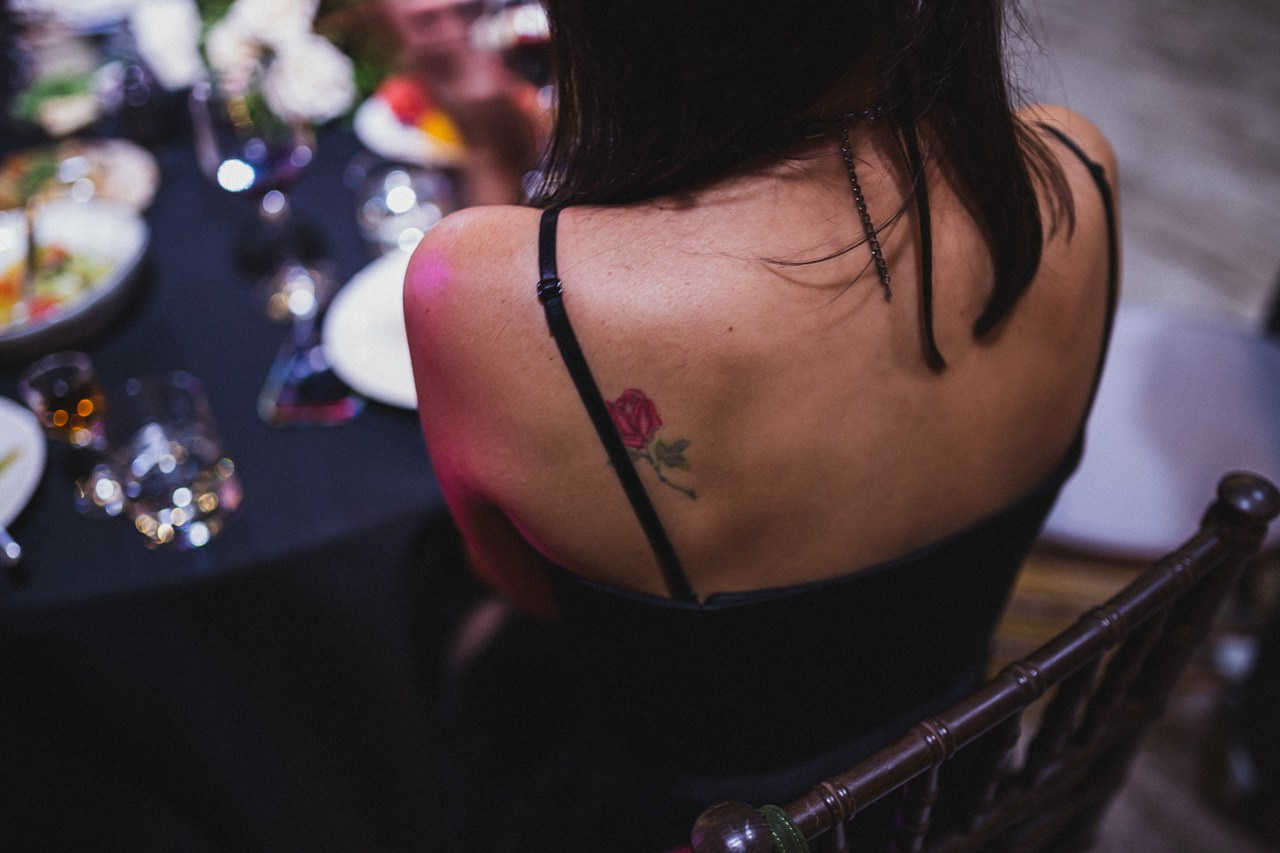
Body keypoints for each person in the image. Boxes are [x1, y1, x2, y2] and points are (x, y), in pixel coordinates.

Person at [404, 0, 1120, 849]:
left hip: (696, 826)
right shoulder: (1076, 165)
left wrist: (492, 154)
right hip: (949, 777)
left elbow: (524, 587)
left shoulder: (488, 285)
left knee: (429, 579)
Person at [375, 0, 546, 205]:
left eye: (466, 11)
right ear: (393, 30)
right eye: (426, 21)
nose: (453, 31)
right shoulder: (385, 121)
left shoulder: (529, 81)